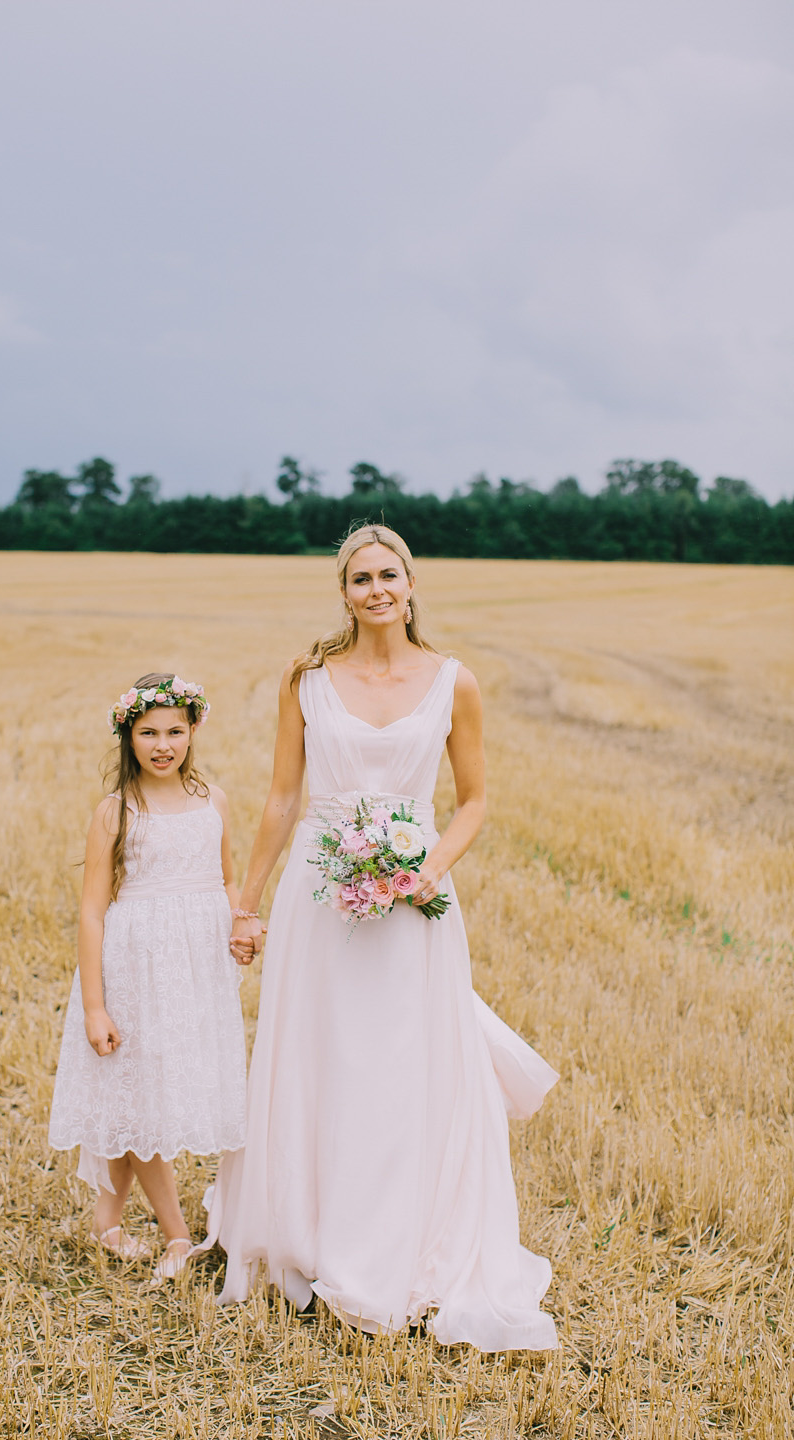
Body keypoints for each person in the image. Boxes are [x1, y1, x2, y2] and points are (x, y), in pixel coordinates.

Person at [209, 525, 558, 1348]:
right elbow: (282, 800)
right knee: (319, 1053)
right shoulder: (307, 681)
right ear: (343, 591)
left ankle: (398, 1245)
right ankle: (313, 1234)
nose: (375, 588)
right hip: (317, 895)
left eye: (388, 574)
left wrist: (428, 869)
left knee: (403, 1061)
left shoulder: (453, 682)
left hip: (416, 900)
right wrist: (248, 904)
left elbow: (473, 800)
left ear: (410, 583)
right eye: (360, 577)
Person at [49, 672, 247, 1283]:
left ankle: (107, 1216)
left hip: (197, 970)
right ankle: (179, 1237)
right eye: (148, 732)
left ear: (193, 731)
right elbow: (91, 909)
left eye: (174, 731)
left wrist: (241, 924)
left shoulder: (213, 799)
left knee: (146, 1095)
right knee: (141, 1096)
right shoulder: (116, 811)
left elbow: (227, 878)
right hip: (137, 966)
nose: (163, 744)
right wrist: (94, 1006)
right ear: (127, 736)